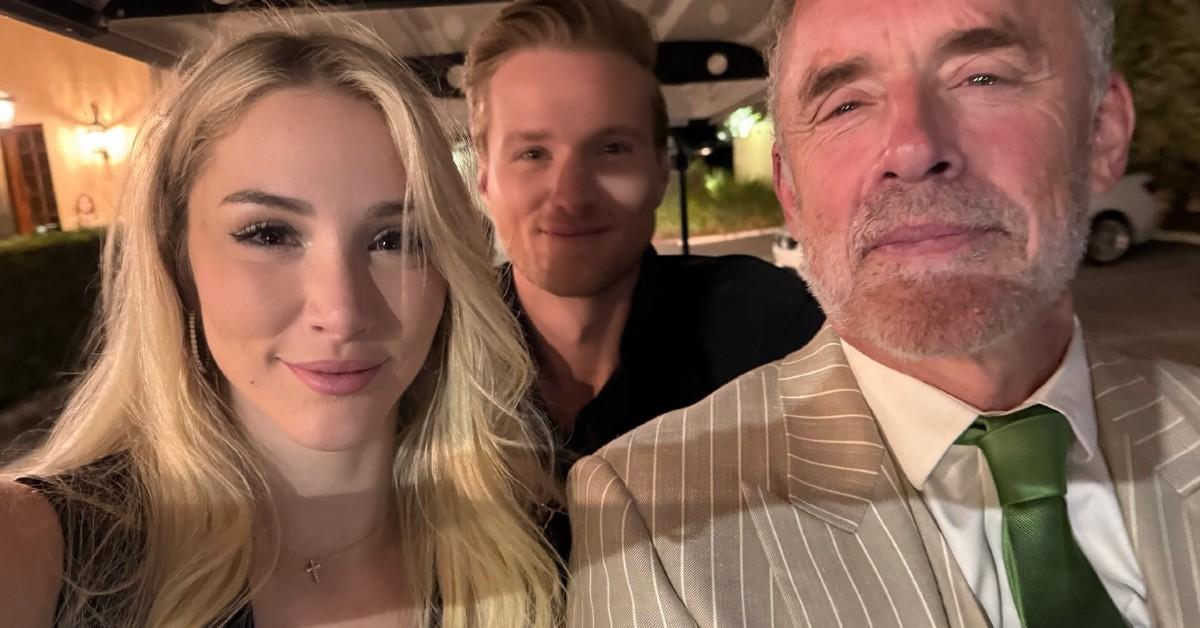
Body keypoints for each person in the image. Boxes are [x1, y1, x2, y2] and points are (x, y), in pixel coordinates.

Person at [567, 0, 1200, 626]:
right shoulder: (657, 525)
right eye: (845, 105)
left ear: (1102, 131)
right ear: (789, 189)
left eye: (982, 77)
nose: (913, 147)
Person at [0, 21, 560, 628]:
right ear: (177, 261)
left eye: (395, 239)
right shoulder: (36, 548)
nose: (342, 312)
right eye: (269, 234)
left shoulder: (554, 542)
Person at [462, 0, 825, 556]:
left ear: (659, 169)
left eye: (611, 149)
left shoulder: (774, 336)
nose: (570, 196)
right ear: (486, 179)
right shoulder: (432, 361)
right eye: (532, 153)